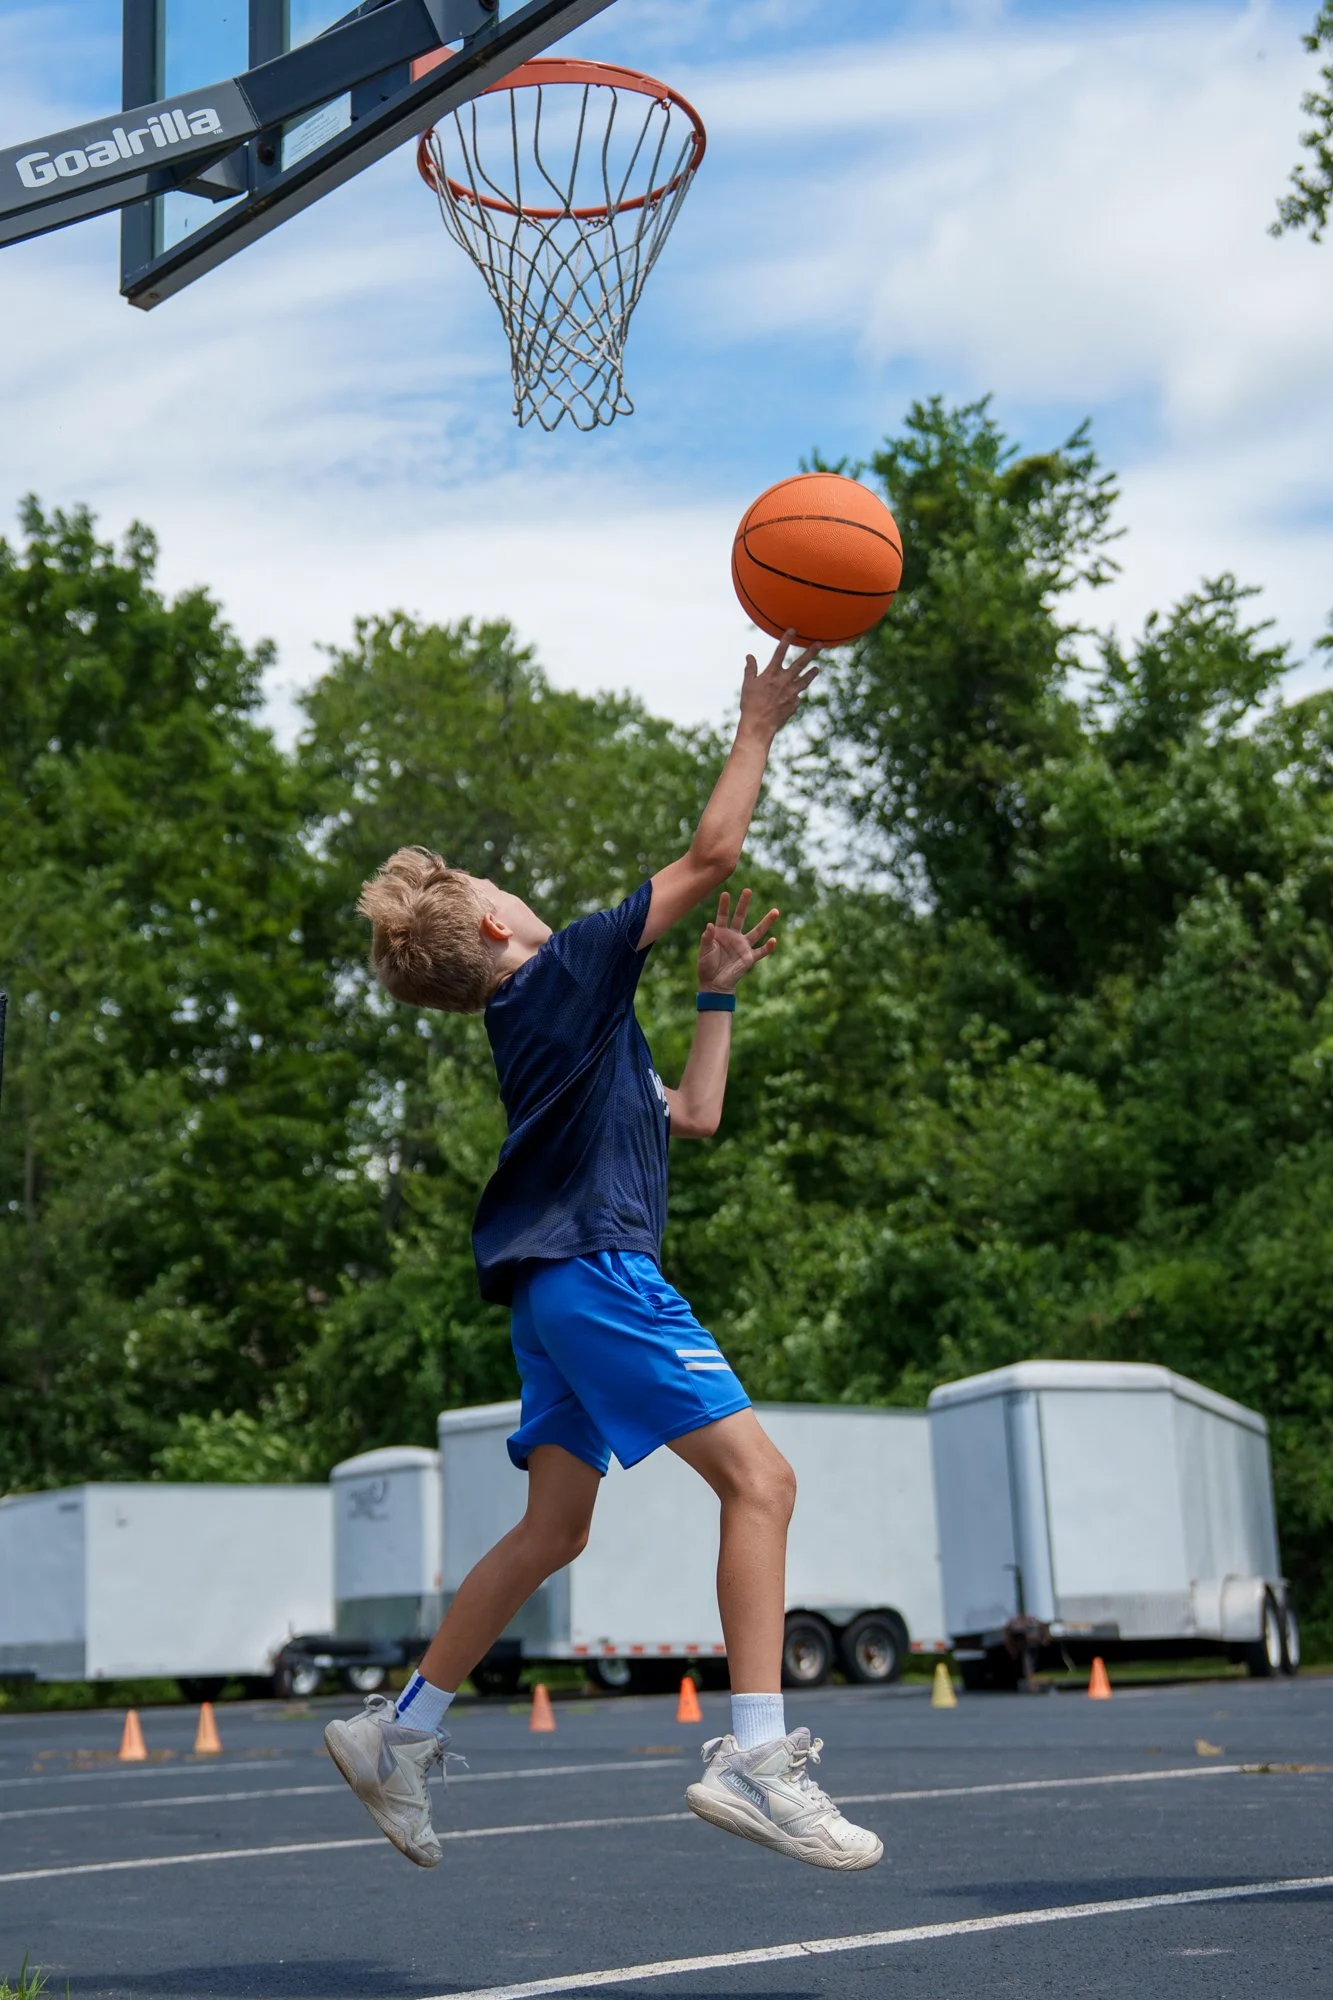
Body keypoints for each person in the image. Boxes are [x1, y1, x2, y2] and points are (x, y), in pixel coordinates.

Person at [324, 632, 883, 1874]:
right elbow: (711, 854)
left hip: (551, 1292)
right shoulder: (563, 972)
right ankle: (753, 1753)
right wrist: (756, 724)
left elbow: (692, 1116)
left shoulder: (566, 1031)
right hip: (596, 1273)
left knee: (556, 1527)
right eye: (505, 885)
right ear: (492, 922)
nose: (527, 894)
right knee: (763, 1483)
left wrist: (717, 994)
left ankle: (397, 1730)